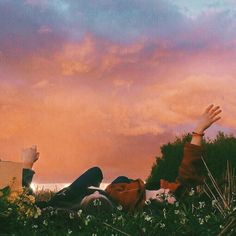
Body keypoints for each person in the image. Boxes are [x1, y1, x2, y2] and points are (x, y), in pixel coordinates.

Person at [20, 104, 222, 212]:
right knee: (98, 173)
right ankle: (76, 201)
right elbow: (187, 175)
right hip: (103, 193)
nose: (167, 186)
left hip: (102, 200)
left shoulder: (174, 199)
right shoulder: (153, 188)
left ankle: (82, 203)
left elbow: (189, 173)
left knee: (45, 209)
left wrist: (198, 132)